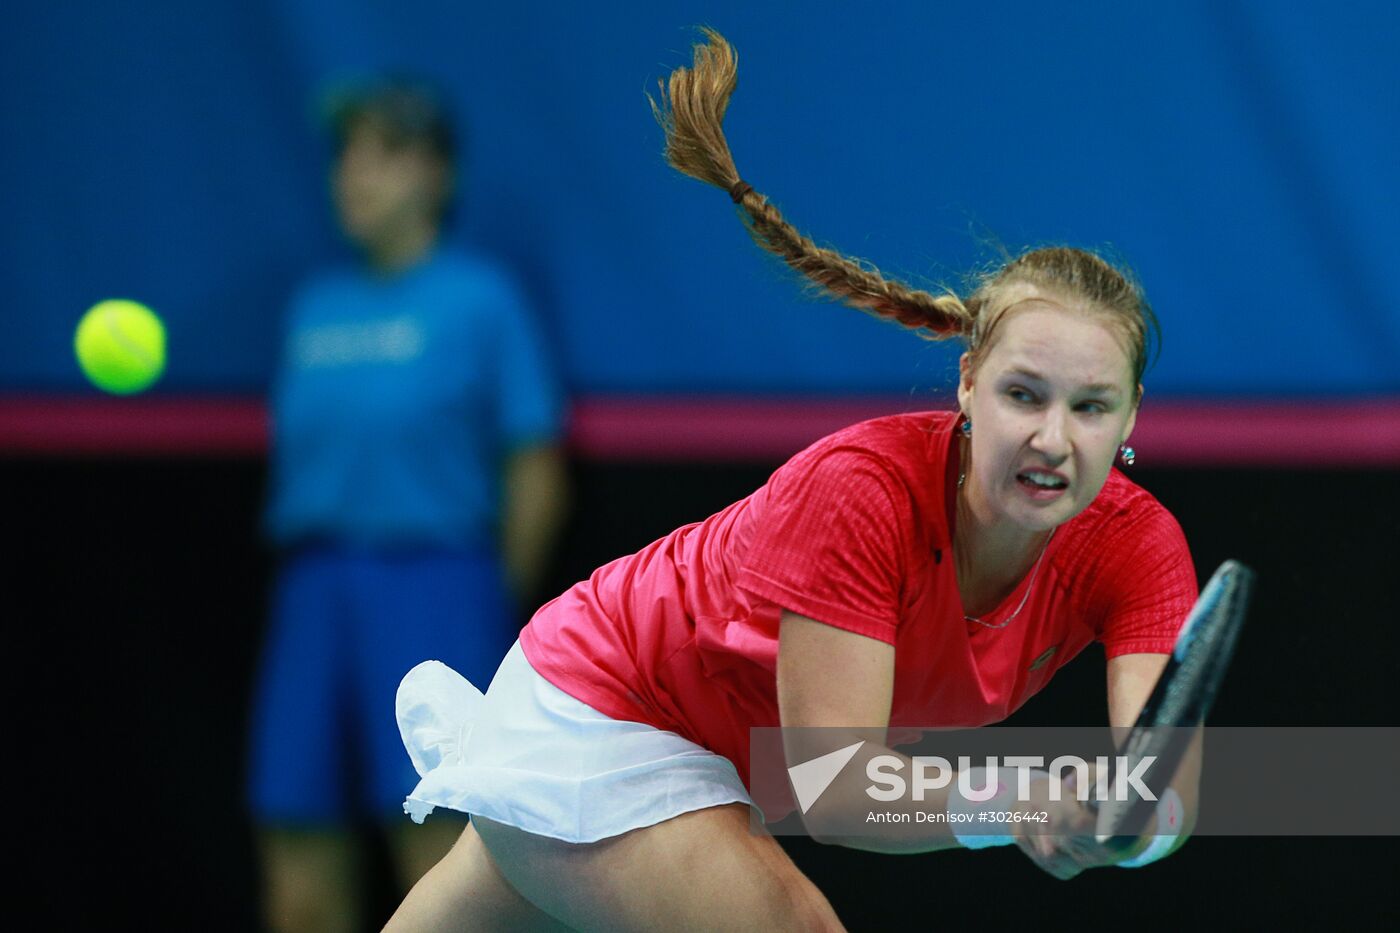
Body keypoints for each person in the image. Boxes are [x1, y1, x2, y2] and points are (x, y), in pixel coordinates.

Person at [386, 32, 1199, 932]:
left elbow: (1163, 781)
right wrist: (1021, 801)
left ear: (1130, 418)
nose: (1053, 437)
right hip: (607, 709)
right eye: (1022, 394)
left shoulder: (1141, 547)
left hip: (704, 769)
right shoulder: (861, 490)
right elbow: (836, 787)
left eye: (1092, 406)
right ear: (968, 384)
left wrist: (1131, 825)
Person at [247, 79, 568, 932]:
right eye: (346, 153)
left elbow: (536, 467)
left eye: (382, 152)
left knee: (441, 853)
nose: (354, 173)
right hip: (314, 590)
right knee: (297, 840)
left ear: (436, 173)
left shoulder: (482, 299)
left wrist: (485, 600)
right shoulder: (314, 306)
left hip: (439, 585)